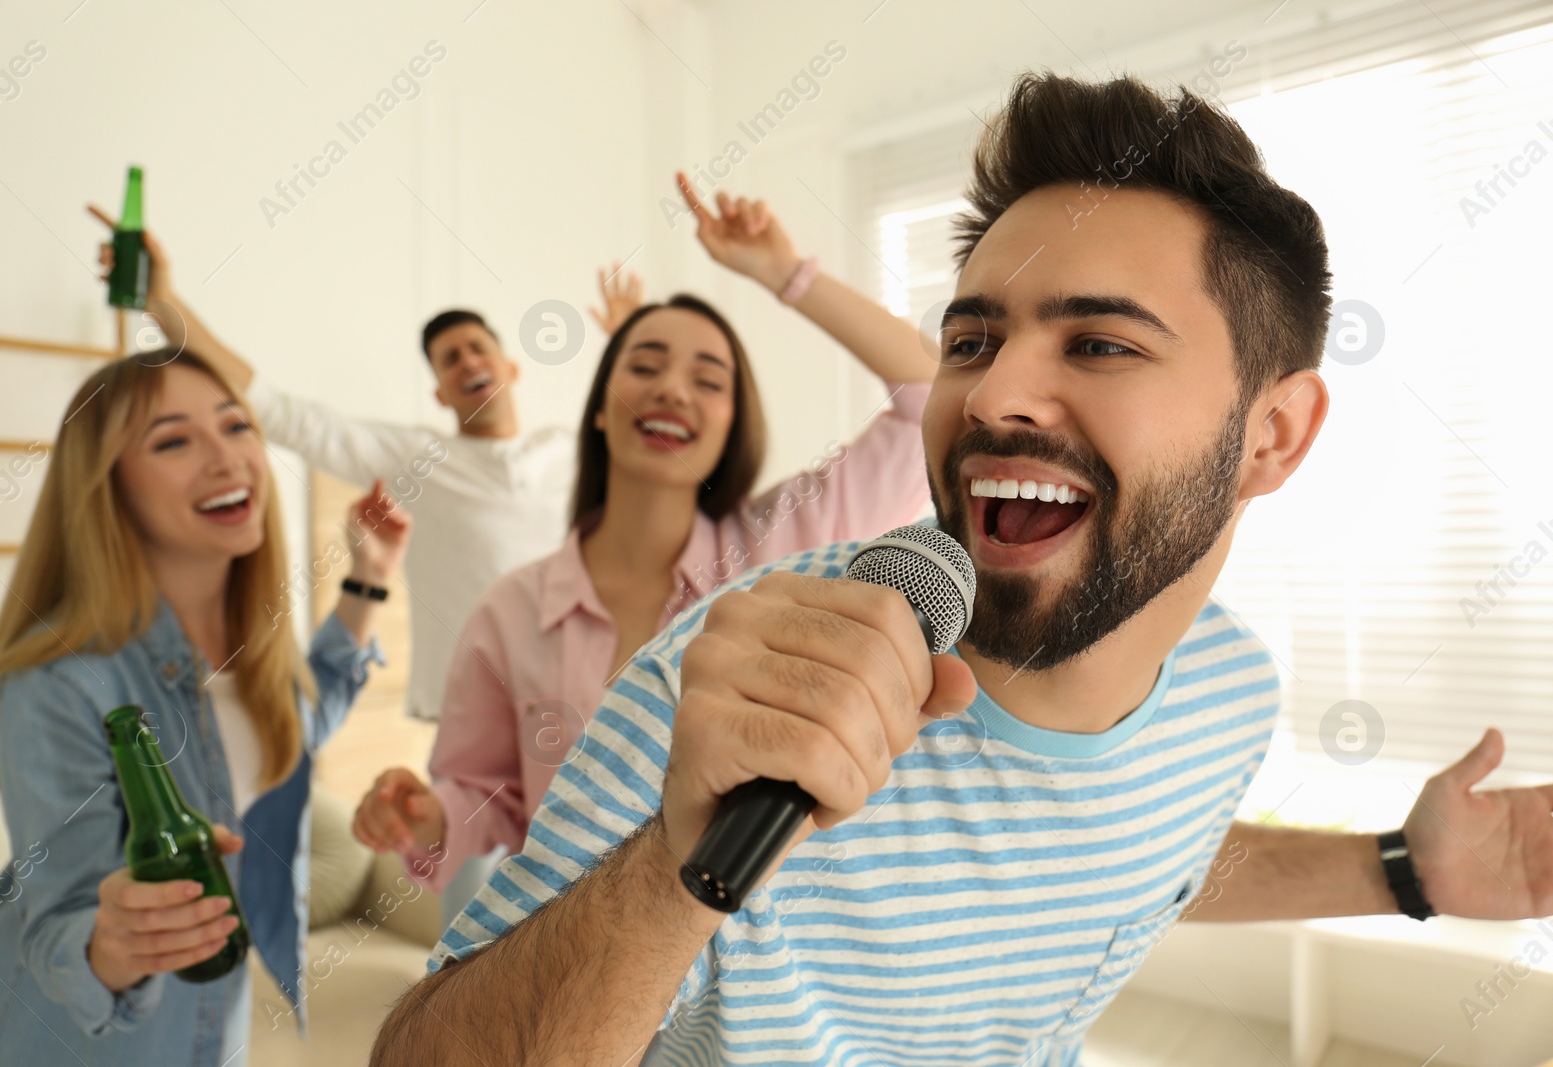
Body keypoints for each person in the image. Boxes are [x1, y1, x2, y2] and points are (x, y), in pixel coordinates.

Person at [368, 73, 1553, 1066]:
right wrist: (677, 867)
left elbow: (1133, 857)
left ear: (1275, 433)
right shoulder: (744, 675)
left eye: (1097, 342)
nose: (987, 396)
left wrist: (1405, 869)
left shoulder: (1228, 685)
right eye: (971, 341)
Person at [350, 173, 939, 919]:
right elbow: (491, 803)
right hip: (582, 963)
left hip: (763, 973)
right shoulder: (509, 612)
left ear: (733, 421)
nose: (673, 390)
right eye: (645, 365)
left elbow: (930, 398)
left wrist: (785, 273)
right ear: (600, 407)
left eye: (707, 377)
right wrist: (426, 816)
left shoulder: (782, 540)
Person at [0, 349, 410, 1065]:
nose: (227, 458)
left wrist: (367, 578)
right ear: (108, 486)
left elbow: (291, 734)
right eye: (173, 440)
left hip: (210, 1026)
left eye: (236, 427)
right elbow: (58, 925)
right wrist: (113, 940)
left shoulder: (254, 647)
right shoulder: (55, 680)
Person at [90, 201, 594, 726]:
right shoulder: (416, 459)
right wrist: (164, 303)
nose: (468, 361)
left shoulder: (573, 451)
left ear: (510, 367)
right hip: (471, 717)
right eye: (450, 358)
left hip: (581, 703)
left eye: (477, 348)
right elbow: (277, 411)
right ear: (439, 393)